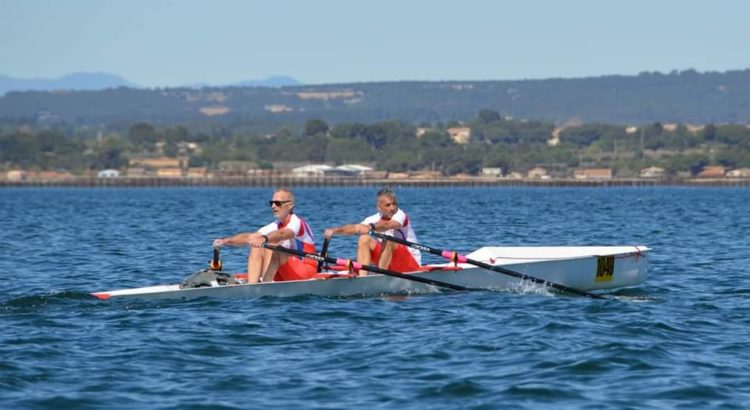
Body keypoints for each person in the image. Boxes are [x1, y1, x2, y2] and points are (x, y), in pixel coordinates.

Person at [213, 188, 317, 283]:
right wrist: (225, 241)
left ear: (290, 205)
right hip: (287, 270)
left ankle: (266, 282)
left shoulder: (297, 222)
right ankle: (252, 286)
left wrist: (265, 238)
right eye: (271, 203)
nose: (273, 206)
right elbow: (249, 237)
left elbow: (283, 234)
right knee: (256, 244)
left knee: (272, 244)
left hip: (305, 271)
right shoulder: (275, 225)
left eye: (277, 203)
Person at [324, 188, 421, 275]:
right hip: (388, 262)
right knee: (364, 238)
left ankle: (380, 277)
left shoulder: (400, 215)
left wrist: (371, 227)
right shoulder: (374, 218)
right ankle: (363, 279)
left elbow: (387, 225)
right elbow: (355, 228)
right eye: (388, 205)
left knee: (389, 240)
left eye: (394, 204)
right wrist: (335, 230)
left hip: (410, 264)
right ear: (379, 207)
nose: (392, 208)